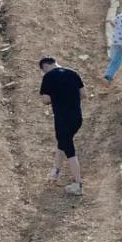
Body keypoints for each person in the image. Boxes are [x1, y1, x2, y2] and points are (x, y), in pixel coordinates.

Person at [39, 55, 84, 196]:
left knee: (69, 150)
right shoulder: (73, 73)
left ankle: (78, 184)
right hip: (77, 117)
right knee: (63, 142)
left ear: (45, 66)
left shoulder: (48, 77)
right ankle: (55, 172)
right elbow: (84, 94)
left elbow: (45, 100)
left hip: (62, 119)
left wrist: (57, 97)